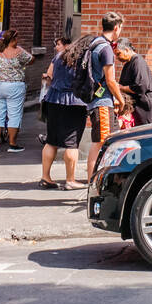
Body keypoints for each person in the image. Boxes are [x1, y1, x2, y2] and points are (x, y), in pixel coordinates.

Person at [67, 12, 127, 177]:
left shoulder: (94, 43)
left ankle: (94, 182)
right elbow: (111, 80)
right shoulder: (105, 48)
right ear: (116, 28)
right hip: (102, 103)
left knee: (101, 143)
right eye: (120, 28)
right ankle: (93, 183)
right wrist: (121, 101)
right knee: (100, 144)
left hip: (95, 101)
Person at [38, 40, 87, 191]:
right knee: (72, 143)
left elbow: (49, 75)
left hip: (53, 100)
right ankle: (70, 180)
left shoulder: (59, 56)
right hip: (74, 103)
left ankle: (45, 178)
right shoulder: (82, 60)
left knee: (51, 140)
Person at [115, 37, 152, 126]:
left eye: (118, 54)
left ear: (126, 50)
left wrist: (121, 87)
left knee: (148, 135)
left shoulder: (137, 61)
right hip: (139, 107)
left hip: (147, 107)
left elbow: (141, 86)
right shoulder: (127, 64)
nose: (117, 57)